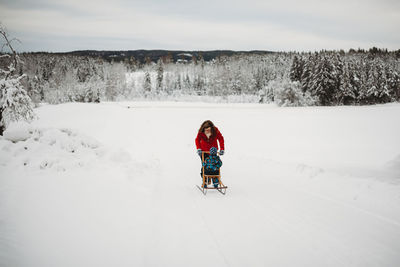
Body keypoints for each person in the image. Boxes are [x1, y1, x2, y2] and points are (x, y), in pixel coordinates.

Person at [195, 120, 225, 187]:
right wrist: (199, 148)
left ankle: (215, 179)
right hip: (203, 151)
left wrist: (222, 149)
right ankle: (205, 180)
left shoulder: (215, 130)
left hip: (213, 151)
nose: (208, 131)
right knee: (205, 166)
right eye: (206, 130)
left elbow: (220, 138)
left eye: (209, 129)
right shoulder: (201, 132)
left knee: (214, 165)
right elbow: (197, 140)